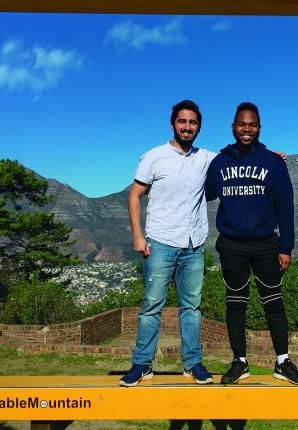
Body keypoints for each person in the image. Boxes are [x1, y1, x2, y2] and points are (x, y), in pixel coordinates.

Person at [205, 102, 298, 385]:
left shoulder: (273, 163)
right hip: (232, 245)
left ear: (259, 128)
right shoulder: (220, 163)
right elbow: (203, 191)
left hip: (266, 245)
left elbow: (285, 207)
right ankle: (240, 362)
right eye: (242, 124)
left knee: (274, 303)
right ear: (233, 127)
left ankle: (282, 362)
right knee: (235, 303)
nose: (246, 129)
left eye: (252, 125)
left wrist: (286, 247)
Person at [120, 100, 216, 386]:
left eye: (193, 122)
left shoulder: (206, 158)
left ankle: (192, 363)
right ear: (173, 124)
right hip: (160, 242)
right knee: (151, 307)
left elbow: (238, 157)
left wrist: (270, 157)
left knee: (192, 307)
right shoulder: (153, 156)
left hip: (194, 244)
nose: (187, 127)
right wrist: (138, 235)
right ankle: (141, 364)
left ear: (199, 126)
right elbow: (134, 195)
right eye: (182, 121)